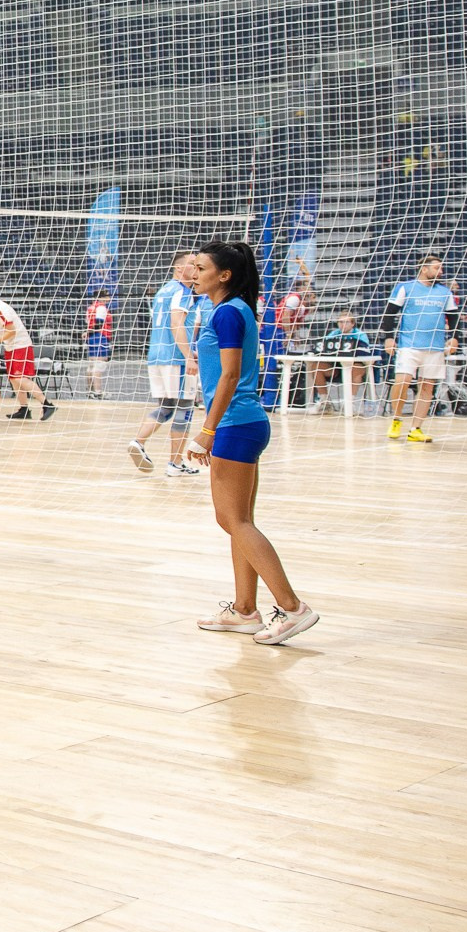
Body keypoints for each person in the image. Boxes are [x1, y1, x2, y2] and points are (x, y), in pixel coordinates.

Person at [188, 239, 318, 645]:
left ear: (224, 275)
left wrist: (207, 430)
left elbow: (228, 376)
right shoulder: (235, 309)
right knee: (238, 520)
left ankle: (293, 607)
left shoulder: (228, 313)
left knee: (233, 520)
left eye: (201, 267)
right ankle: (245, 610)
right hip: (243, 422)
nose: (193, 273)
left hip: (234, 424)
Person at [128, 252, 203, 475]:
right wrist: (189, 355)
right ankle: (175, 463)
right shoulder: (182, 291)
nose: (197, 268)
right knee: (185, 408)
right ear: (179, 269)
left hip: (156, 356)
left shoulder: (163, 291)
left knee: (166, 407)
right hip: (176, 357)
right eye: (192, 264)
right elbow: (176, 324)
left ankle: (138, 442)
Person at [383, 254, 458, 443]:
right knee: (402, 381)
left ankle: (416, 428)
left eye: (441, 269)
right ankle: (396, 419)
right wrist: (389, 338)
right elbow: (389, 313)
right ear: (424, 269)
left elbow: (454, 317)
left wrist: (455, 338)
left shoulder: (444, 293)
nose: (440, 272)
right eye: (437, 268)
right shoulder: (405, 288)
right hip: (409, 345)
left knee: (427, 387)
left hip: (434, 346)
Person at [0, 286, 53, 421]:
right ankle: (24, 409)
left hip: (20, 345)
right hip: (10, 346)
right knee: (13, 379)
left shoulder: (1, 309)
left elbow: (11, 331)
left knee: (20, 378)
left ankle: (47, 404)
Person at [307, 310, 377, 412]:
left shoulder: (360, 335)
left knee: (357, 368)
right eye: (340, 322)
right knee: (316, 366)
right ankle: (324, 402)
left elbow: (365, 352)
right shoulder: (334, 334)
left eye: (346, 322)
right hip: (336, 368)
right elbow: (322, 347)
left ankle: (349, 403)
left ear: (353, 324)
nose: (343, 325)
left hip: (353, 367)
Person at [83, 291, 113, 399]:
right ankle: (98, 391)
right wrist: (89, 332)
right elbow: (99, 324)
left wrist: (88, 333)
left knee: (91, 365)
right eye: (107, 296)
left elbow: (88, 323)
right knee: (98, 365)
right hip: (100, 337)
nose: (109, 298)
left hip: (92, 338)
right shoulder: (101, 308)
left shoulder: (90, 308)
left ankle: (90, 391)